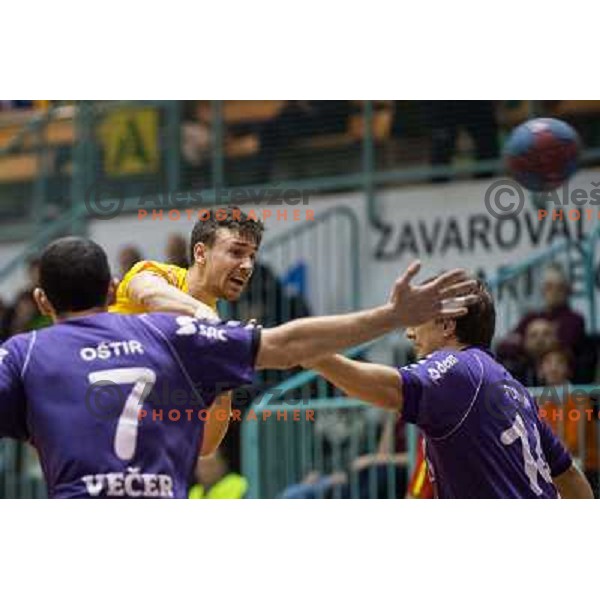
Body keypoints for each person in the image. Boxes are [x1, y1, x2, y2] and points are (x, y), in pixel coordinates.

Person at [0, 237, 475, 498]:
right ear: (110, 288)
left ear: (41, 300)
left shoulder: (24, 354)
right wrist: (391, 316)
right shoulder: (171, 333)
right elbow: (288, 344)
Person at [305, 280, 593, 499]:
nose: (409, 332)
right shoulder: (513, 387)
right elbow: (568, 476)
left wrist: (308, 354)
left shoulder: (455, 368)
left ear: (446, 325)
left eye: (418, 319)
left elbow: (384, 387)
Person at [110, 206, 265, 456]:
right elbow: (147, 292)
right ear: (201, 253)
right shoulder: (156, 274)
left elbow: (204, 446)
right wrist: (208, 321)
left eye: (252, 257)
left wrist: (227, 375)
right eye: (236, 252)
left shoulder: (215, 333)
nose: (247, 266)